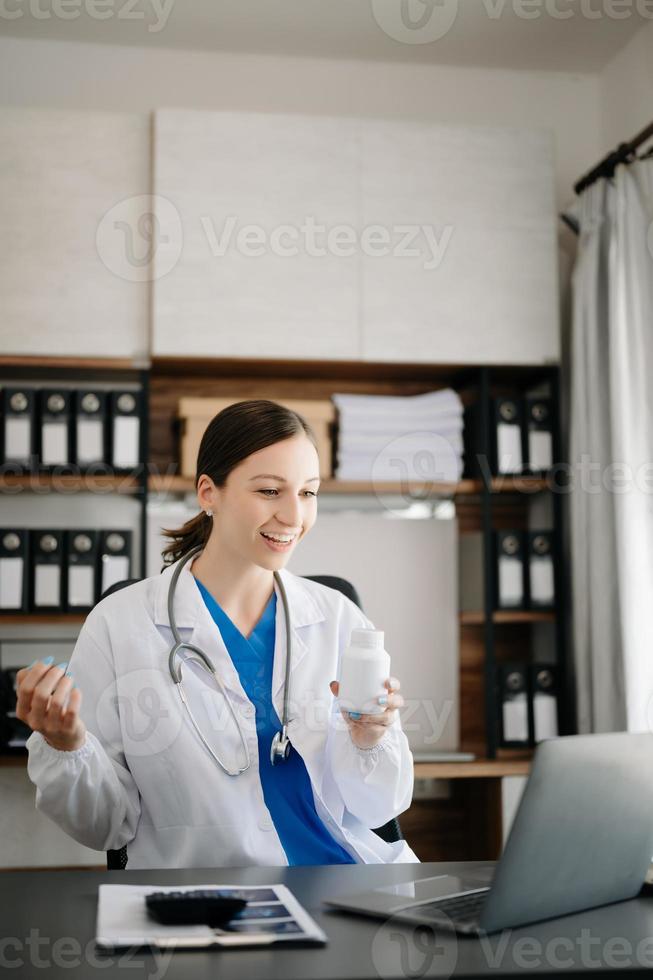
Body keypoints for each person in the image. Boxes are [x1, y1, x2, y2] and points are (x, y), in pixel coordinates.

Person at [17, 399, 419, 869]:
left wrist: (370, 739)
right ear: (208, 492)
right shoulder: (120, 624)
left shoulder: (339, 617)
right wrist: (67, 745)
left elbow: (380, 809)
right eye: (270, 491)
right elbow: (106, 825)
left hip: (348, 882)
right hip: (210, 897)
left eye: (308, 493)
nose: (294, 516)